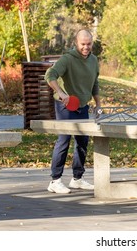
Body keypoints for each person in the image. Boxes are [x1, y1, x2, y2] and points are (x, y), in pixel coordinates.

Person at [44, 29, 101, 194]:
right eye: (83, 44)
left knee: (82, 141)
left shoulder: (94, 61)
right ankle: (55, 180)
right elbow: (50, 74)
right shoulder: (67, 59)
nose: (86, 47)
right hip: (65, 106)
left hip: (82, 105)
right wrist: (61, 93)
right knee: (64, 140)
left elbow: (95, 83)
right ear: (76, 43)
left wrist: (98, 104)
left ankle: (77, 178)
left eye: (89, 44)